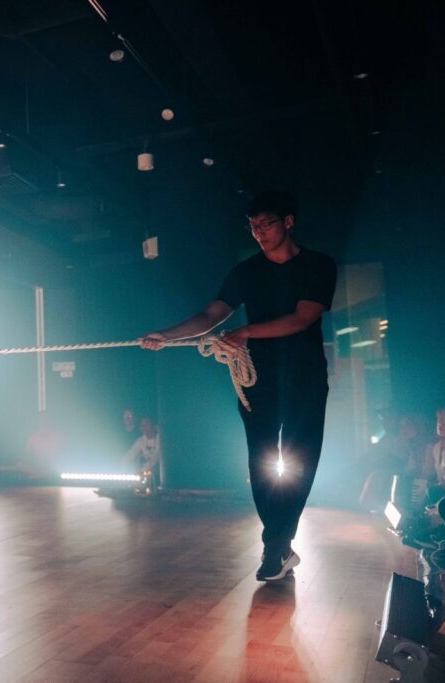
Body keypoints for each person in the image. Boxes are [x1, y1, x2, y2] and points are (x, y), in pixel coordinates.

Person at [140, 190, 337, 581]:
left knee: (300, 457)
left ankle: (278, 543)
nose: (259, 232)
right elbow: (212, 314)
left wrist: (246, 331)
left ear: (288, 222)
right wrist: (167, 335)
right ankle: (276, 544)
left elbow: (303, 317)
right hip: (258, 378)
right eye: (252, 226)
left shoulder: (318, 265)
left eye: (266, 224)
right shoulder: (247, 271)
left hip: (305, 376)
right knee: (260, 459)